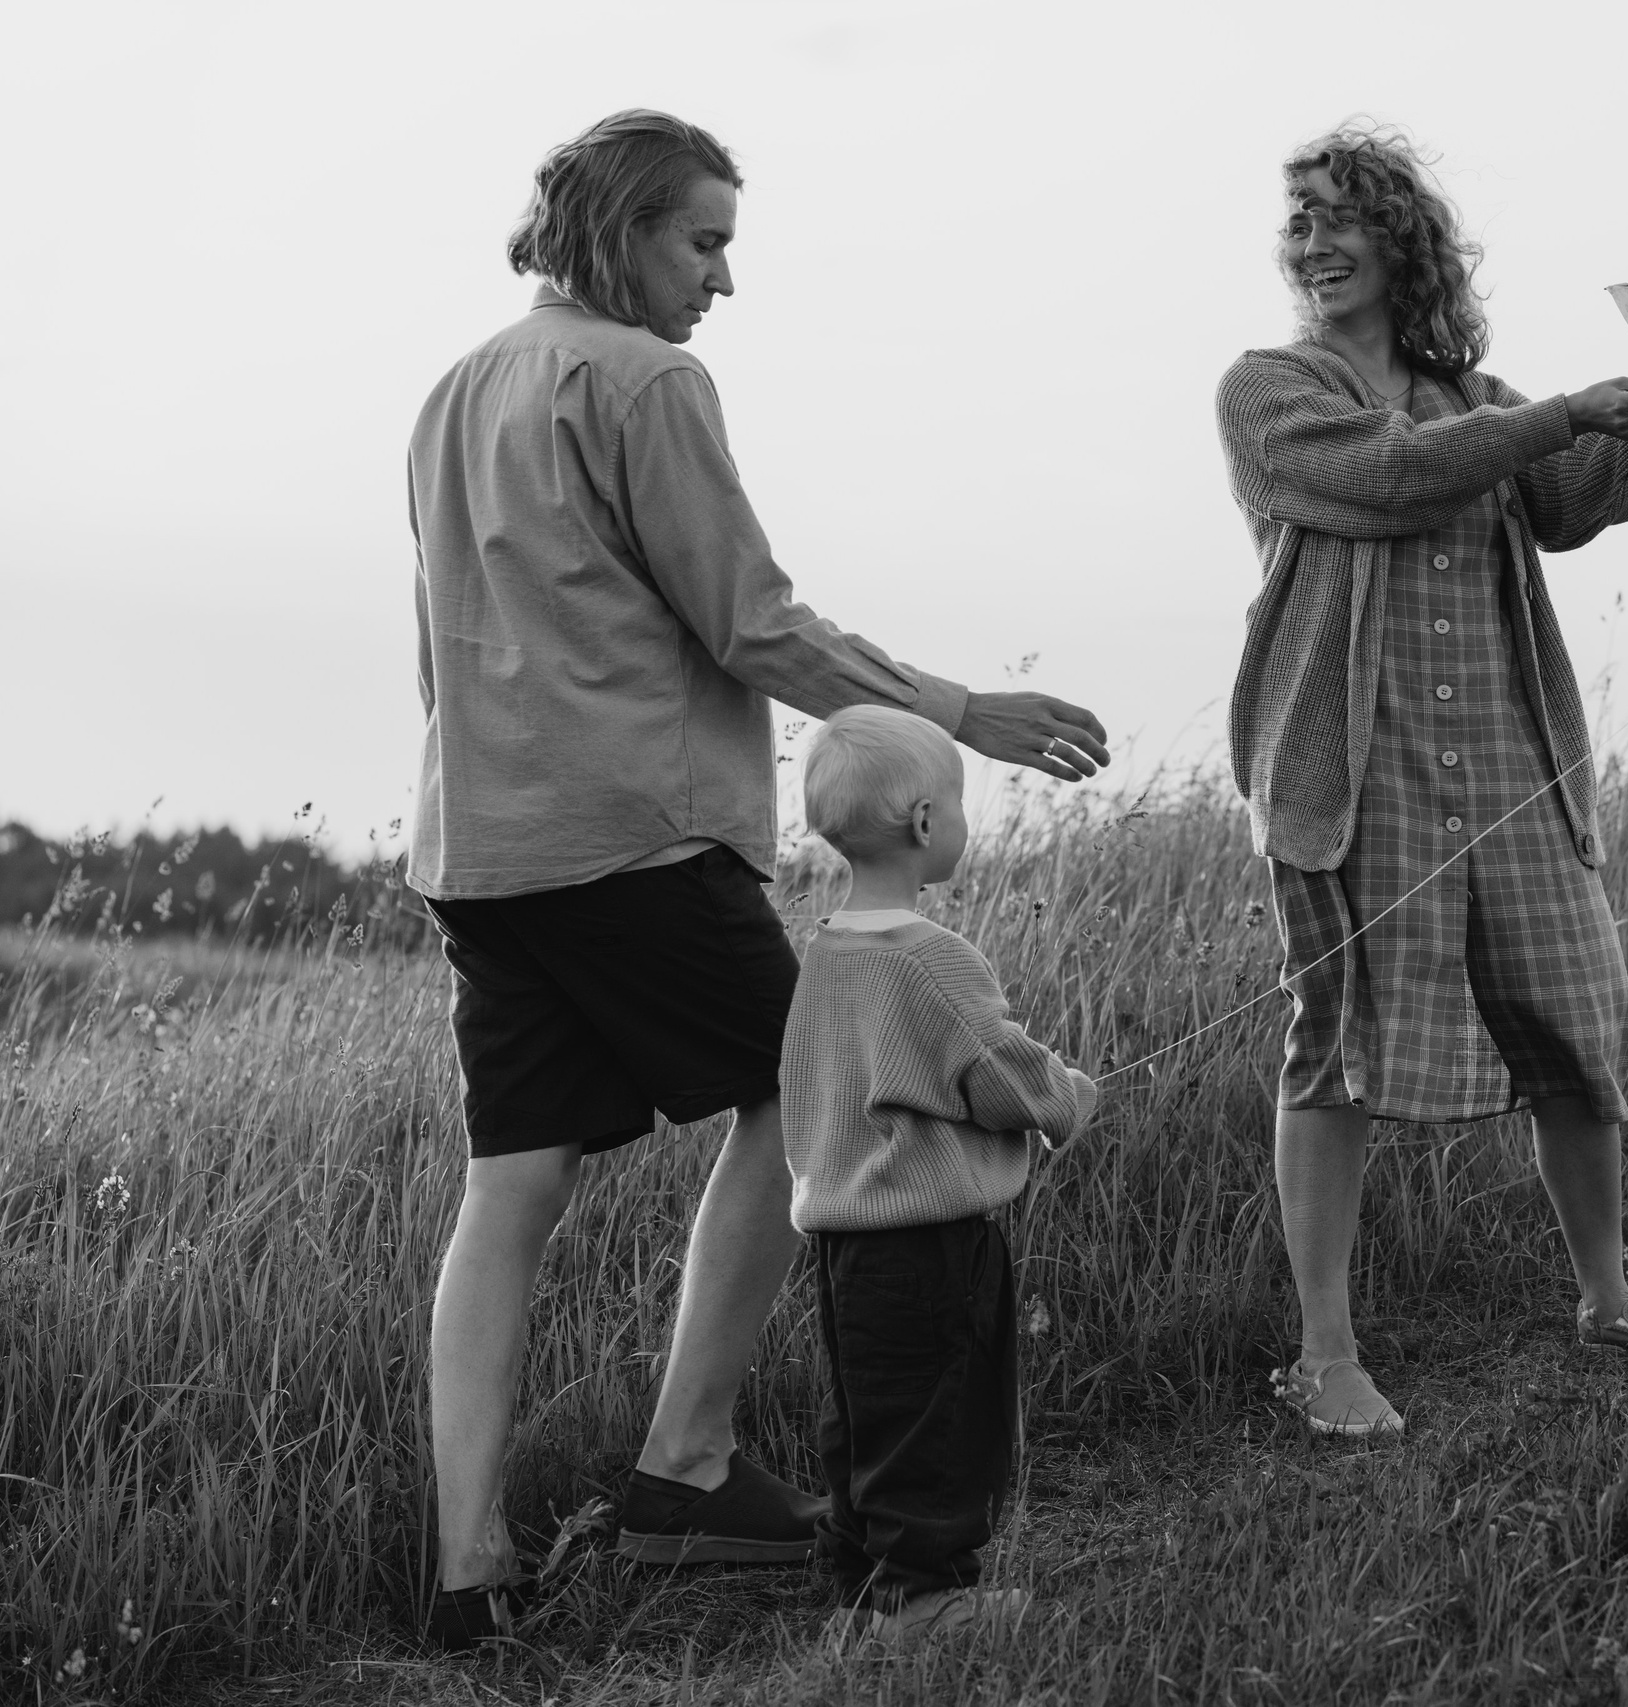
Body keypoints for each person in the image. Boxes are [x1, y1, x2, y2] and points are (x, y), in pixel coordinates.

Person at [408, 110, 1109, 1649]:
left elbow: (439, 641)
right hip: (630, 833)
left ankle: (469, 1570)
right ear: (621, 230)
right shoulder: (648, 379)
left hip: (482, 848)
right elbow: (753, 623)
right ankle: (686, 1469)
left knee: (512, 1183)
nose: (722, 279)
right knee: (808, 1094)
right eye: (702, 240)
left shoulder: (460, 385)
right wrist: (958, 709)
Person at [1214, 122, 1628, 1437]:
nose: (1315, 242)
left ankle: (1610, 1296)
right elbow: (1385, 478)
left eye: (1341, 218)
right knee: (1340, 1054)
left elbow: (1577, 497)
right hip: (1354, 773)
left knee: (1578, 1027)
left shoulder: (1471, 397)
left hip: (1511, 769)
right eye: (1301, 222)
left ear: (1401, 240)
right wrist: (1555, 413)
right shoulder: (1268, 389)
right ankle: (1324, 1354)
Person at [780, 705, 1096, 1644]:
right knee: (941, 1416)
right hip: (927, 1240)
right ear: (924, 823)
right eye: (956, 801)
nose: (963, 819)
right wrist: (1070, 1099)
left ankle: (864, 1588)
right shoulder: (934, 960)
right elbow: (1001, 1074)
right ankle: (926, 1598)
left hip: (842, 1240)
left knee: (867, 1414)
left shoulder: (826, 951)